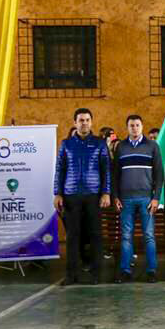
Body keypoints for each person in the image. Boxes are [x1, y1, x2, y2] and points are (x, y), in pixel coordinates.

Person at [54, 108, 111, 285]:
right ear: (75, 123)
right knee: (73, 237)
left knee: (95, 235)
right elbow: (59, 170)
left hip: (93, 196)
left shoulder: (100, 144)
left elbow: (106, 170)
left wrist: (106, 192)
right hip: (71, 196)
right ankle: (71, 275)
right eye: (81, 120)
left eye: (87, 120)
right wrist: (58, 193)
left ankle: (96, 274)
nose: (84, 123)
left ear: (91, 122)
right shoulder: (66, 144)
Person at [112, 115, 163, 284]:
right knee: (126, 236)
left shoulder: (152, 146)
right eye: (131, 125)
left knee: (149, 236)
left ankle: (152, 270)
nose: (134, 128)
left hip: (146, 199)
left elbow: (159, 175)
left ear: (142, 126)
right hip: (126, 199)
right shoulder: (121, 147)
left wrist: (156, 198)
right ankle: (125, 270)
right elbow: (115, 175)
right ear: (127, 127)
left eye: (137, 125)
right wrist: (116, 197)